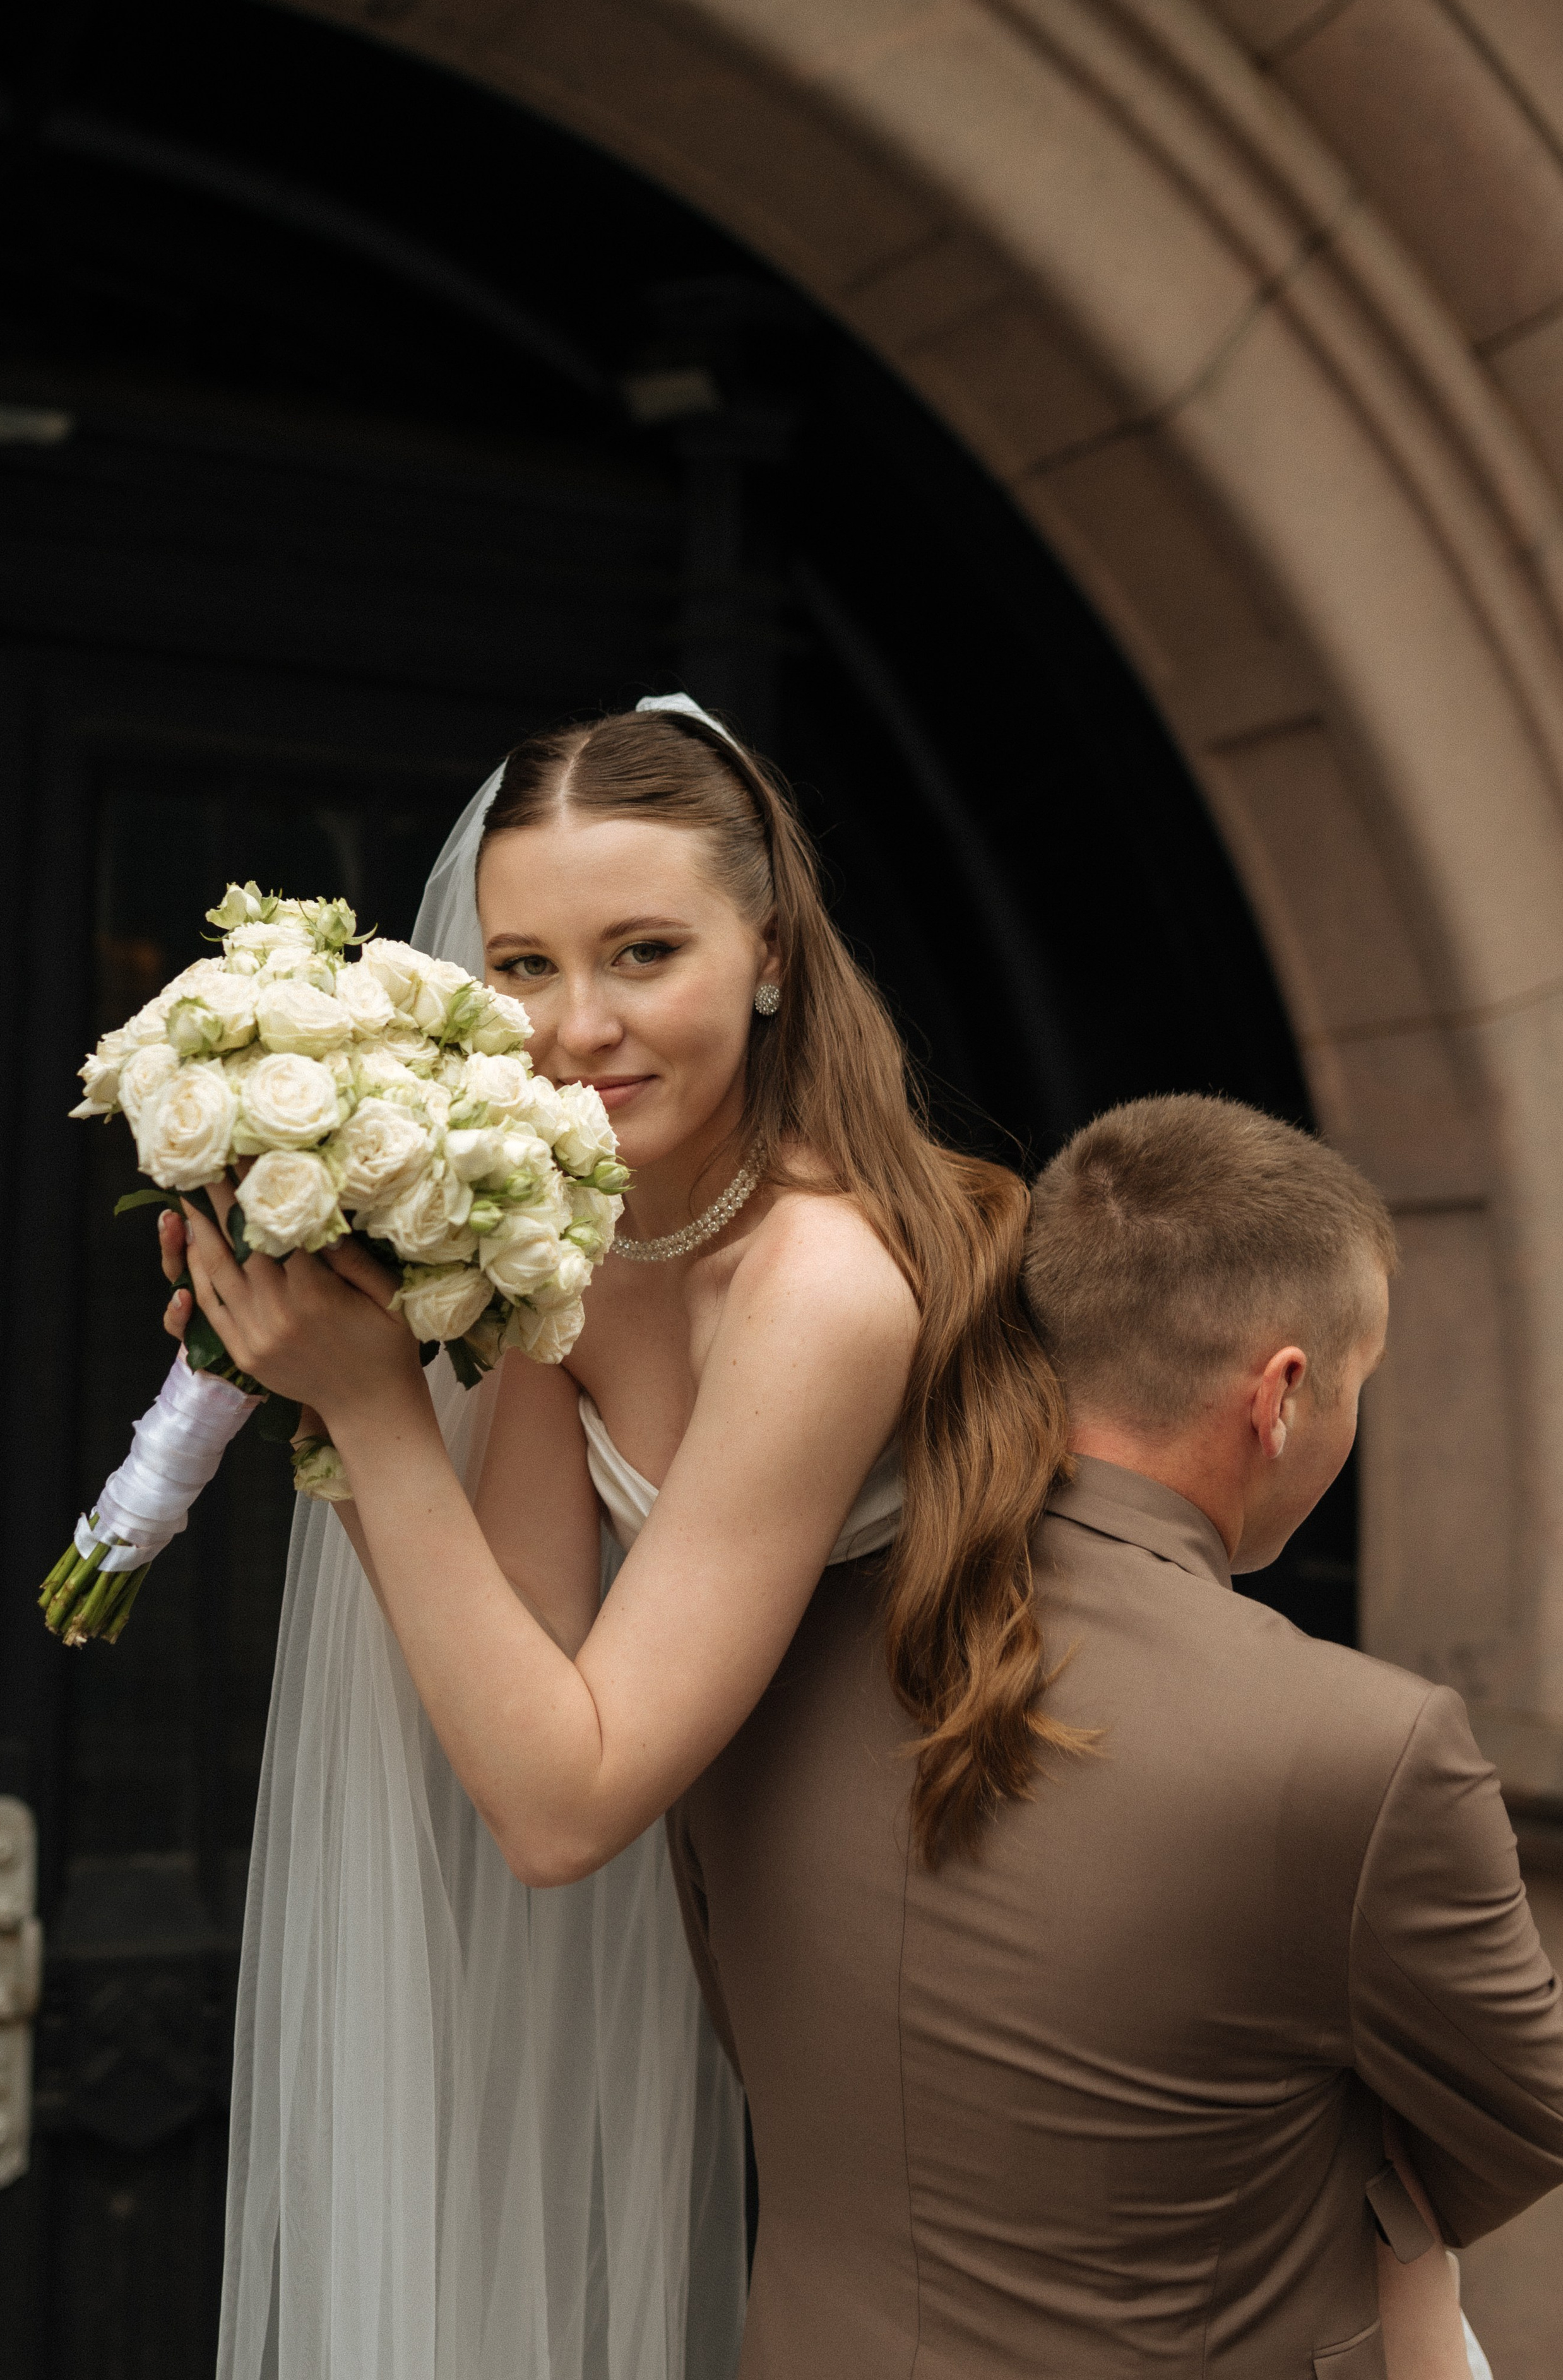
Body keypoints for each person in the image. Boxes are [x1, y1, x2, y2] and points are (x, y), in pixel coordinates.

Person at [163, 696, 1068, 2379]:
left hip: (953, 1969)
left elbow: (563, 1807)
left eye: (644, 952)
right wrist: (319, 1370)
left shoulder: (821, 1283)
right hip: (739, 1944)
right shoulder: (569, 1230)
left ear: (770, 955)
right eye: (523, 965)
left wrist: (373, 1410)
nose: (576, 1028)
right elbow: (522, 1681)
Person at [667, 1092, 1563, 2376]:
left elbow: (752, 2020)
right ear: (1280, 1396)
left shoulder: (745, 1646)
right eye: (1358, 1383)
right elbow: (1527, 2115)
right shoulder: (1369, 1745)